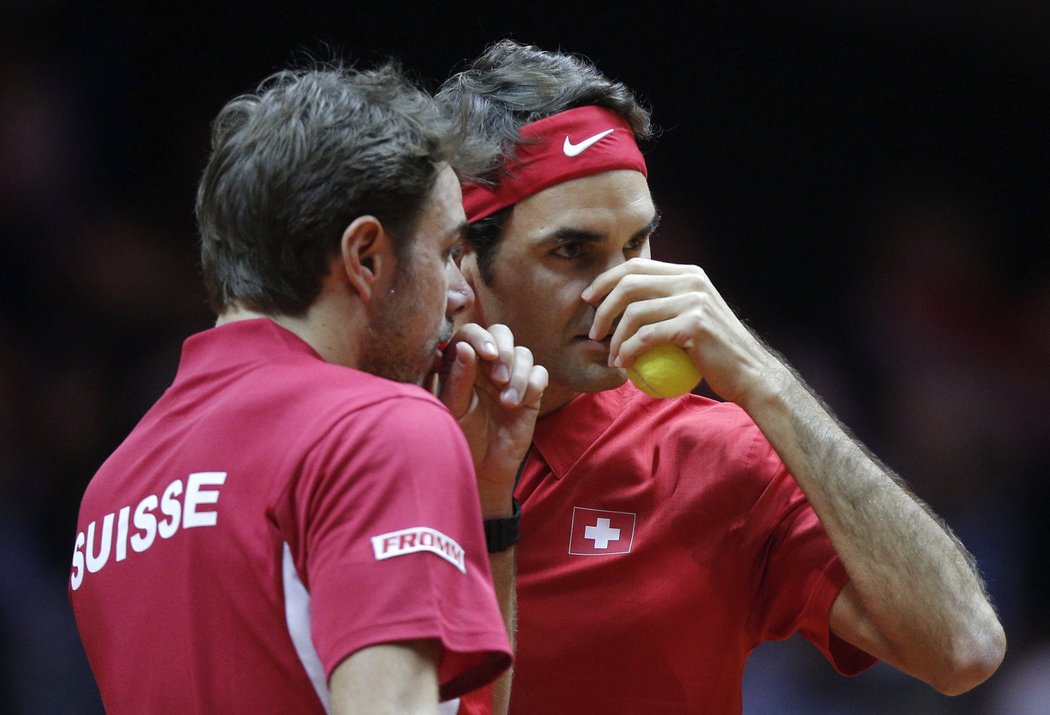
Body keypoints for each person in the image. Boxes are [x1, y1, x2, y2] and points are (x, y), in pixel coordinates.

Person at [437, 40, 1006, 714]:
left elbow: (963, 647)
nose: (620, 286)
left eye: (636, 243)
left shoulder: (713, 457)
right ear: (462, 257)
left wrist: (763, 377)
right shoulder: (361, 433)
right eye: (572, 251)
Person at [68, 60, 546, 714]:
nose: (462, 294)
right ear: (366, 257)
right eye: (444, 253)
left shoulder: (112, 491)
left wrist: (488, 496)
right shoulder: (380, 428)